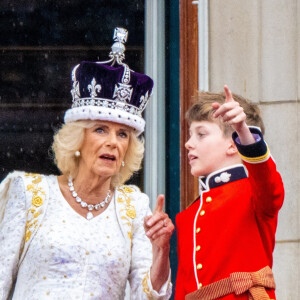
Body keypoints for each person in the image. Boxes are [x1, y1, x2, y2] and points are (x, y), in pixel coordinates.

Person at [0, 28, 174, 300]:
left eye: (123, 134)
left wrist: (161, 250)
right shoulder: (30, 192)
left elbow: (148, 296)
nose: (113, 142)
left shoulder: (134, 206)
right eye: (101, 130)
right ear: (78, 139)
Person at [175, 85, 284, 300]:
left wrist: (244, 132)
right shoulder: (188, 216)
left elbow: (268, 182)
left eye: (201, 134)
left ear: (233, 145)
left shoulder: (253, 193)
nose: (188, 144)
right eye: (190, 135)